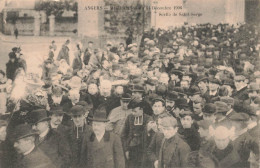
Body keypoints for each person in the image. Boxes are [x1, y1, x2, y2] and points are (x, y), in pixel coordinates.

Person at [80, 104, 125, 168]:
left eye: (98, 125)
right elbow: (83, 160)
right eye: (94, 124)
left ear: (105, 125)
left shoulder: (114, 138)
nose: (95, 127)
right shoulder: (88, 138)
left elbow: (120, 161)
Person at [121, 99, 152, 168]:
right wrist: (126, 149)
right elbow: (123, 134)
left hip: (143, 149)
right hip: (131, 148)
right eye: (132, 111)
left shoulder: (148, 119)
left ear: (141, 109)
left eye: (135, 111)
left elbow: (150, 137)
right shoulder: (130, 117)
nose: (133, 113)